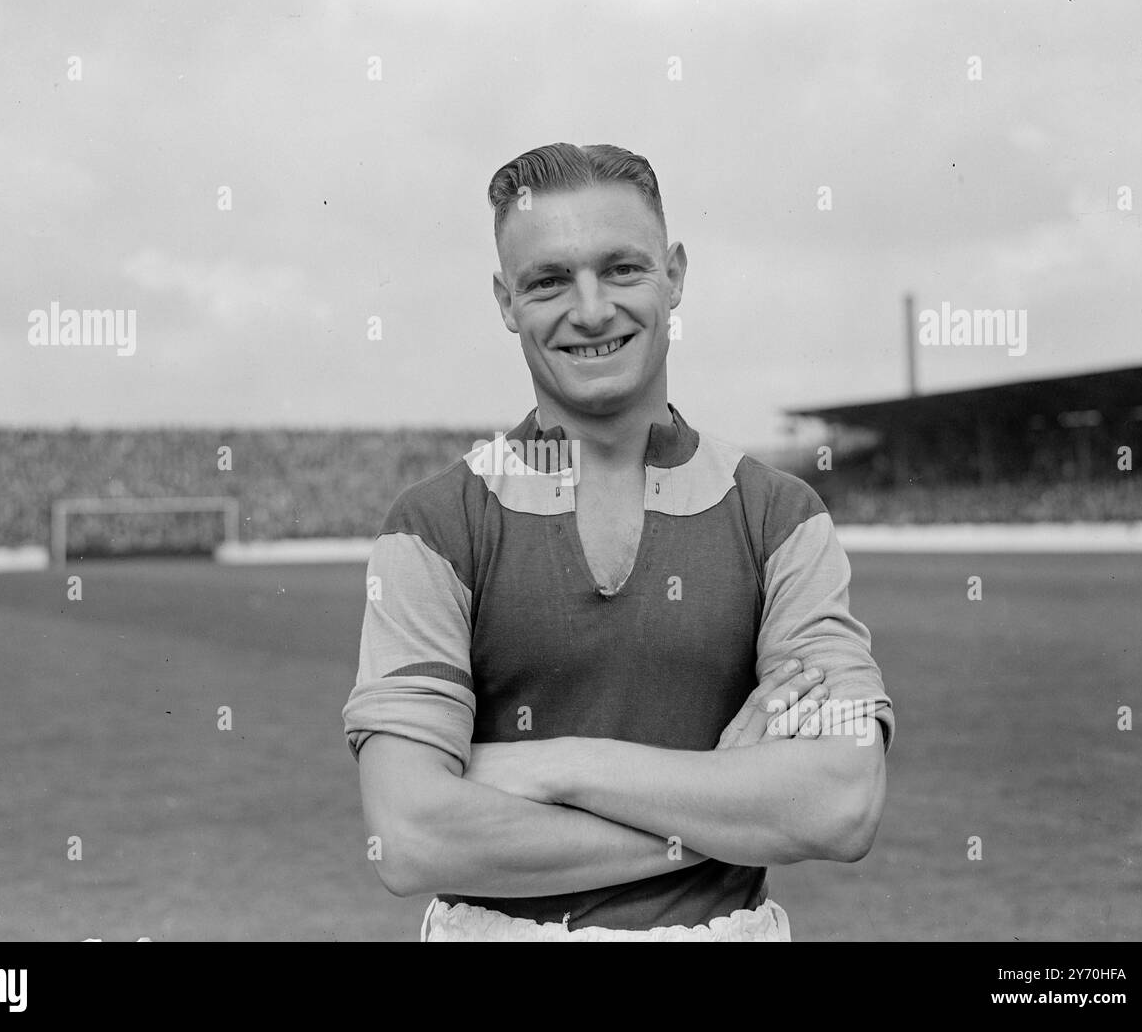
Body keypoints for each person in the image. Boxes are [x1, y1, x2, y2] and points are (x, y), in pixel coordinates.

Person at [342, 142, 894, 941]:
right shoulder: (433, 528)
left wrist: (554, 763)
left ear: (675, 275)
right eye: (549, 280)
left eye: (622, 269)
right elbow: (410, 835)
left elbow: (842, 804)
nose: (592, 309)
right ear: (505, 301)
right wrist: (728, 807)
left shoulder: (781, 518)